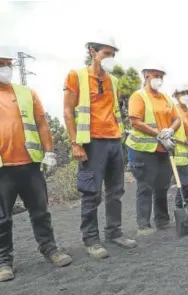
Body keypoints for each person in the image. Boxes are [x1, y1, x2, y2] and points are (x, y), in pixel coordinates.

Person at [63, 33, 137, 259]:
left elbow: (115, 111)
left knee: (116, 191)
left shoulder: (113, 81)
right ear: (93, 52)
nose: (110, 58)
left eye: (112, 55)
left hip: (114, 140)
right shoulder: (76, 76)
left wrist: (120, 136)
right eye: (106, 53)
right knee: (91, 193)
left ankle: (114, 232)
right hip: (91, 143)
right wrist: (76, 143)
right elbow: (67, 111)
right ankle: (91, 240)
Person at [0, 49, 72, 281]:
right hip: (2, 169)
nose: (6, 68)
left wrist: (49, 151)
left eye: (8, 63)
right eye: (2, 63)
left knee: (40, 212)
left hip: (30, 164)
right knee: (2, 218)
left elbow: (41, 123)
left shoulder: (25, 93)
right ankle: (4, 261)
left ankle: (50, 249)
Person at [124, 63, 180, 235]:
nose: (159, 79)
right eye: (156, 75)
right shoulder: (138, 96)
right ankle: (144, 225)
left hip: (163, 149)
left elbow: (177, 118)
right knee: (145, 186)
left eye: (161, 76)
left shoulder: (165, 98)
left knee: (162, 185)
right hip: (143, 149)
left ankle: (162, 220)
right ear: (146, 75)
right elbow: (135, 121)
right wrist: (158, 134)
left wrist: (171, 129)